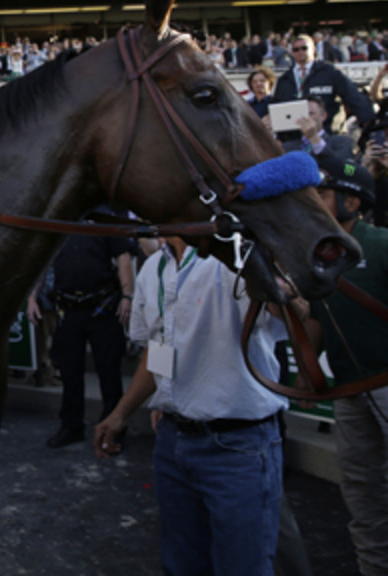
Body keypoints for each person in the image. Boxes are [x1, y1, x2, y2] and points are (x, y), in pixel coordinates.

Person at [94, 236, 289, 576]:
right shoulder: (153, 269)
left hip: (238, 447)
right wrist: (120, 413)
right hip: (172, 445)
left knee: (244, 567)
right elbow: (160, 352)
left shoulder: (237, 260)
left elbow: (288, 312)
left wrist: (282, 285)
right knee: (182, 565)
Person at [303, 155, 388, 575]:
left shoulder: (383, 245)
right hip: (351, 392)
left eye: (323, 193)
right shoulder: (322, 256)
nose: (314, 201)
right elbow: (318, 319)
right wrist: (306, 372)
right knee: (361, 490)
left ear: (352, 203)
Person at [28, 215, 135, 449]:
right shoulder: (60, 221)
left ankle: (113, 428)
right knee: (69, 372)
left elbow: (123, 258)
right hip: (68, 310)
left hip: (102, 308)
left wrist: (127, 296)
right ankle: (71, 426)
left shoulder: (104, 218)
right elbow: (43, 261)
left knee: (109, 371)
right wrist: (32, 297)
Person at [271, 33, 374, 134]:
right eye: (296, 49)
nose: (300, 52)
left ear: (314, 49)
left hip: (326, 132)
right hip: (294, 136)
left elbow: (352, 95)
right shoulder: (284, 79)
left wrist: (369, 122)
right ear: (292, 52)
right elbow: (276, 107)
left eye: (304, 48)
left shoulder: (329, 72)